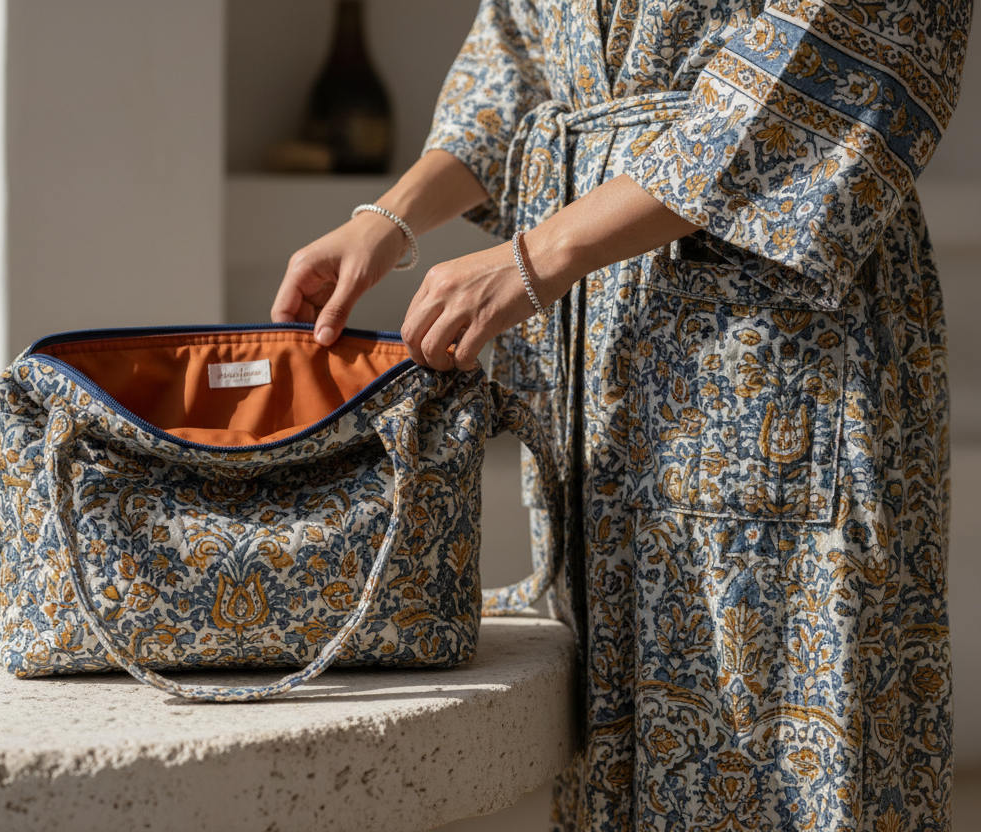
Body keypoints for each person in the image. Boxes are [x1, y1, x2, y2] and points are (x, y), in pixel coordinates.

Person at [272, 0, 968, 828]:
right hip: (591, 343)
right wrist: (389, 219)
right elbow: (517, 55)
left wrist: (540, 254)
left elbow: (834, 57)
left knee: (779, 731)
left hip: (771, 344)